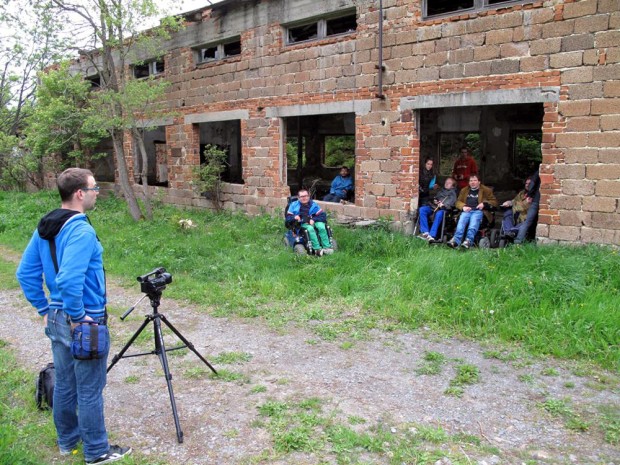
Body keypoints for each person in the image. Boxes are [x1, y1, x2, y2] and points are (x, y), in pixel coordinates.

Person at [16, 168, 132, 465]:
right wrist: (79, 316)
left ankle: (68, 442)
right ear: (80, 193)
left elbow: (25, 273)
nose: (97, 193)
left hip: (56, 316)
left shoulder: (47, 226)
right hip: (82, 320)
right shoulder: (80, 230)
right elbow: (69, 280)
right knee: (90, 389)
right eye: (94, 188)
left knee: (66, 383)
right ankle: (96, 451)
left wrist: (45, 309)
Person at [447, 174, 497, 249]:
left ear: (479, 182)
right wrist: (463, 206)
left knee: (473, 224)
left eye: (475, 180)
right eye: (471, 181)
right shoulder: (464, 190)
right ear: (469, 182)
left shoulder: (486, 190)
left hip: (478, 211)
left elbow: (494, 202)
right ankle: (455, 241)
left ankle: (468, 241)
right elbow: (457, 202)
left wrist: (484, 204)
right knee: (461, 223)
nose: (472, 182)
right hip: (467, 211)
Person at [287, 189, 333, 255]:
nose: (304, 198)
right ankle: (317, 249)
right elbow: (288, 218)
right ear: (298, 197)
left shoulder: (314, 205)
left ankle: (327, 247)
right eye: (302, 196)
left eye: (306, 196)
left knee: (322, 227)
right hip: (301, 223)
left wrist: (313, 219)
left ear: (309, 196)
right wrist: (294, 217)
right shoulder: (293, 205)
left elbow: (322, 216)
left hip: (314, 220)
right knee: (310, 229)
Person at [417, 177, 457, 242]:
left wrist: (443, 205)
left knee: (439, 213)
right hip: (434, 207)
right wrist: (435, 201)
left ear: (452, 186)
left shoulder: (453, 193)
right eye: (446, 182)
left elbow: (451, 203)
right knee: (422, 209)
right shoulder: (441, 191)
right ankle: (425, 232)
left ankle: (432, 235)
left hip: (443, 210)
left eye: (449, 183)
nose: (447, 184)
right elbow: (435, 198)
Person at [514, 169, 540, 244]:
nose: (527, 185)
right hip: (540, 199)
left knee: (529, 221)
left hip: (536, 199)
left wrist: (530, 194)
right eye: (526, 184)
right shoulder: (521, 194)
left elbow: (533, 182)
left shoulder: (540, 170)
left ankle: (519, 241)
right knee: (530, 221)